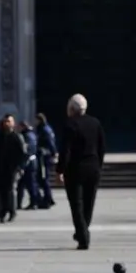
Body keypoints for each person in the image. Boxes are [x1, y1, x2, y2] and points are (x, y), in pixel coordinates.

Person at [58, 94, 105, 250]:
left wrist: (60, 170)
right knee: (88, 204)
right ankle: (82, 232)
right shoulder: (95, 123)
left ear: (72, 108)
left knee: (77, 205)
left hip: (75, 169)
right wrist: (99, 165)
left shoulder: (70, 124)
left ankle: (83, 237)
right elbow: (101, 148)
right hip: (93, 168)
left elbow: (65, 150)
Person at [0, 114, 26, 224]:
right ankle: (2, 212)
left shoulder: (16, 137)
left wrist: (20, 167)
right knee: (0, 191)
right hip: (0, 169)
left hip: (12, 169)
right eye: (5, 121)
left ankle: (12, 211)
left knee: (11, 191)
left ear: (13, 123)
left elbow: (22, 154)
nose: (7, 123)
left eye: (9, 121)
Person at [34, 113, 57, 208]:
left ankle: (48, 199)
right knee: (42, 178)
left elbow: (50, 142)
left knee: (43, 178)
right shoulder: (42, 129)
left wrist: (54, 153)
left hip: (44, 157)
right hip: (42, 156)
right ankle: (48, 198)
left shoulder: (45, 130)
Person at [16, 121, 40, 209]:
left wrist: (22, 166)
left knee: (29, 184)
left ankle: (33, 202)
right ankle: (20, 203)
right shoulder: (32, 135)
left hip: (28, 163)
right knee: (24, 185)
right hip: (32, 162)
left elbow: (25, 152)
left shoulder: (26, 136)